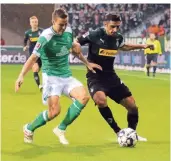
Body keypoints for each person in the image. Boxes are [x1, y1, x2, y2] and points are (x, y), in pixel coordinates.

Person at [15, 8, 102, 145]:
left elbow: (74, 50)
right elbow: (32, 58)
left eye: (66, 23)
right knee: (54, 111)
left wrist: (87, 63)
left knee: (84, 97)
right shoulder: (45, 37)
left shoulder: (68, 31)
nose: (64, 27)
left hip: (66, 76)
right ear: (53, 22)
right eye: (61, 24)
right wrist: (21, 76)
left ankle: (60, 128)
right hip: (51, 78)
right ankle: (29, 128)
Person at [76, 13, 154, 141]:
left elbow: (124, 46)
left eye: (118, 27)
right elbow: (74, 44)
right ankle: (118, 132)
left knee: (132, 106)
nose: (115, 30)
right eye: (113, 27)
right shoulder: (95, 34)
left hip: (111, 77)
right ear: (105, 24)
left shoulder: (118, 37)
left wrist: (142, 46)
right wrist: (86, 63)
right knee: (100, 100)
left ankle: (131, 133)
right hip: (95, 77)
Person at [23, 16, 44, 91]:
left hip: (42, 53)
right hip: (33, 54)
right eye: (33, 22)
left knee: (45, 69)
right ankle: (40, 86)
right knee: (35, 69)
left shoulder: (42, 31)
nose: (35, 23)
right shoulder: (28, 33)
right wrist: (25, 46)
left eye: (36, 22)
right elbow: (25, 40)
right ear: (30, 23)